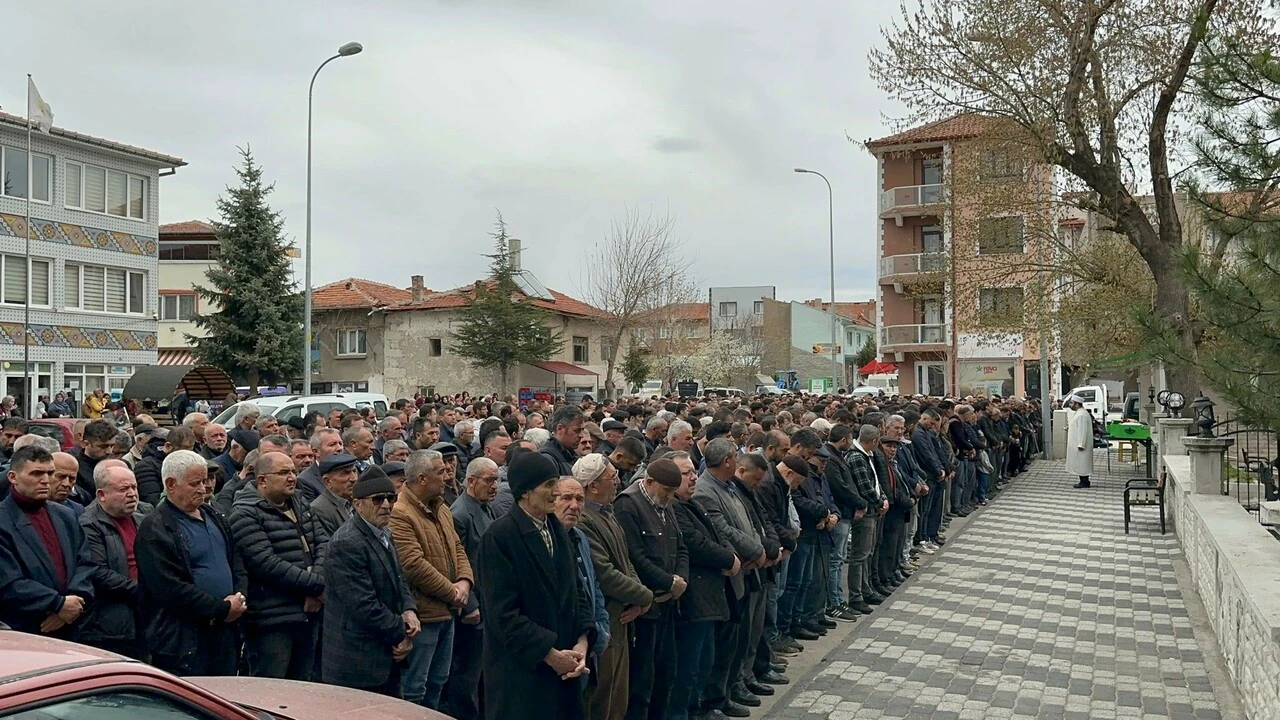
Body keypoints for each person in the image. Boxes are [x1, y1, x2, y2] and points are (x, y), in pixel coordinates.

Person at [476, 451, 595, 720]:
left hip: (564, 669)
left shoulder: (556, 528)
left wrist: (583, 640)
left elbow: (577, 590)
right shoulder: (500, 537)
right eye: (548, 485)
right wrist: (549, 654)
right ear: (525, 493)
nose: (556, 492)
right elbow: (502, 615)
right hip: (523, 676)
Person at [136, 450, 248, 676]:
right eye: (195, 483)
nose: (204, 488)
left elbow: (236, 564)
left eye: (205, 481)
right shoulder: (156, 528)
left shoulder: (215, 516)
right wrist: (222, 609)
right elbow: (169, 588)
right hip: (184, 640)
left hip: (225, 632)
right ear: (171, 484)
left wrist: (239, 598)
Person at [228, 451, 329, 680]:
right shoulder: (245, 514)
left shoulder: (300, 503)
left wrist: (318, 587)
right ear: (262, 479)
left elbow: (324, 543)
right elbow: (267, 564)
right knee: (271, 692)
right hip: (271, 621)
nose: (293, 477)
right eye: (283, 473)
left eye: (293, 471)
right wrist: (317, 587)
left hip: (308, 614)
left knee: (303, 689)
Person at [321, 464, 421, 696]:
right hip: (357, 662)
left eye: (390, 498)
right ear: (357, 504)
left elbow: (399, 578)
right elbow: (362, 606)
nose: (386, 505)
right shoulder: (346, 543)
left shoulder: (384, 532)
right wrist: (401, 632)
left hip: (384, 657)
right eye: (377, 500)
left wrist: (409, 609)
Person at [391, 449, 473, 710]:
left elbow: (457, 548)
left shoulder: (441, 507)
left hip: (446, 611)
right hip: (424, 615)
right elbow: (413, 565)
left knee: (438, 679)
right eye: (441, 472)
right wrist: (452, 592)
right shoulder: (400, 513)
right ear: (423, 478)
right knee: (416, 686)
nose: (448, 475)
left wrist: (464, 581)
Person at [575, 453, 652, 720]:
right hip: (608, 615)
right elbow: (605, 573)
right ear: (592, 486)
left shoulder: (608, 514)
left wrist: (640, 596)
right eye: (612, 478)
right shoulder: (585, 520)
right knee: (602, 697)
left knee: (618, 696)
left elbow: (626, 561)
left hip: (623, 615)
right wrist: (646, 595)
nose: (618, 482)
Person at [614, 457, 689, 720]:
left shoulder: (665, 504)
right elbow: (635, 556)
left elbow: (680, 546)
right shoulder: (629, 504)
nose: (669, 497)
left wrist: (680, 579)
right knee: (642, 682)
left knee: (664, 675)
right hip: (646, 607)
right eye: (666, 491)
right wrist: (667, 582)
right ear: (649, 482)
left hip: (668, 603)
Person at [671, 450, 739, 720]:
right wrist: (727, 557)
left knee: (704, 661)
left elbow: (714, 533)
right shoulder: (674, 507)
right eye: (685, 473)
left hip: (709, 598)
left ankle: (697, 710)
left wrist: (729, 553)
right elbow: (694, 542)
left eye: (692, 471)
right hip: (693, 600)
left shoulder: (692, 503)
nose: (693, 477)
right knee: (688, 668)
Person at [0, 446, 95, 637]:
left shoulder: (65, 515)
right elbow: (8, 582)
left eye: (50, 473)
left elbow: (85, 563)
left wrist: (71, 605)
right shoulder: (3, 520)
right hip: (23, 631)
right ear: (12, 477)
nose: (45, 480)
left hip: (71, 626)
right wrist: (58, 604)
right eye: (36, 473)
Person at [78, 462, 150, 659]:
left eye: (134, 487)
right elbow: (98, 573)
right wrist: (145, 590)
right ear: (101, 495)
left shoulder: (143, 517)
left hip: (146, 616)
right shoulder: (88, 523)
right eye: (123, 489)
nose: (132, 494)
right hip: (111, 625)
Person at [447, 457, 499, 720]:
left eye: (496, 480)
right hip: (473, 608)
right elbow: (457, 562)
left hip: (490, 604)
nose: (495, 487)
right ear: (471, 481)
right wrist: (470, 604)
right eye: (489, 480)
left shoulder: (486, 508)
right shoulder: (460, 514)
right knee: (467, 673)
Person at [309, 453, 360, 538]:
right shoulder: (319, 509)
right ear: (327, 481)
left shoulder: (358, 501)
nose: (354, 478)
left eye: (354, 471)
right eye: (345, 473)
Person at [1065, 395, 1094, 488]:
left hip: (1081, 444)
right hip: (1077, 443)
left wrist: (1081, 443)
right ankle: (1083, 480)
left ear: (1077, 404)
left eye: (1071, 403)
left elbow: (1082, 430)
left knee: (1082, 463)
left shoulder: (1082, 414)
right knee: (1080, 462)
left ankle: (1084, 481)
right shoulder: (1079, 413)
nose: (1070, 405)